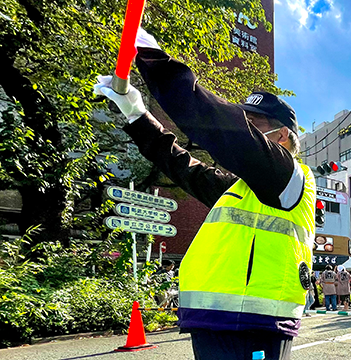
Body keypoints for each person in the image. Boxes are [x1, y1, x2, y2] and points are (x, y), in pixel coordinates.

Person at [94, 28, 314, 359]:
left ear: (282, 136)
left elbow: (220, 124)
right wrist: (136, 115)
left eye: (252, 124)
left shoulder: (287, 176)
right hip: (216, 322)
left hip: (255, 326)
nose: (244, 129)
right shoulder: (241, 189)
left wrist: (156, 61)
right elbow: (184, 167)